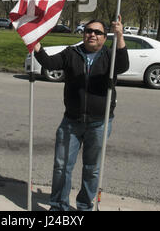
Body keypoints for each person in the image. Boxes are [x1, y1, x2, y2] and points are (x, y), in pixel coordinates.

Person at [34, 15, 129, 211]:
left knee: (92, 169)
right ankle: (58, 206)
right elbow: (50, 63)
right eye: (88, 31)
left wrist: (120, 36)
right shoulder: (72, 53)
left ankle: (84, 206)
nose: (92, 34)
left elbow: (123, 65)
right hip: (71, 122)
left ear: (104, 37)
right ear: (83, 34)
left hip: (99, 123)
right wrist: (36, 46)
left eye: (97, 32)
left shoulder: (109, 57)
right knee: (61, 167)